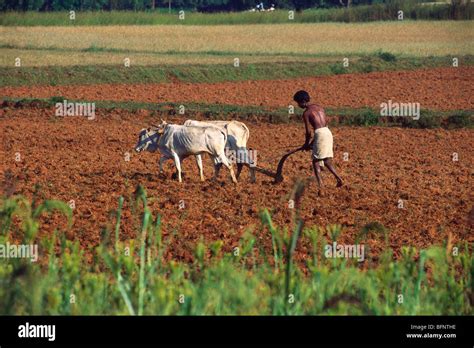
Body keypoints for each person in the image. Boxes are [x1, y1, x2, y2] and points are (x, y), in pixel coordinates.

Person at [293, 90, 343, 194]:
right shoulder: (319, 107)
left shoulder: (306, 113)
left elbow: (308, 132)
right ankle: (338, 178)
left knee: (315, 161)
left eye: (298, 103)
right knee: (326, 160)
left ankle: (321, 186)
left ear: (302, 101)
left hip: (319, 133)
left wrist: (306, 144)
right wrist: (311, 143)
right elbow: (324, 123)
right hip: (328, 132)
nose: (298, 105)